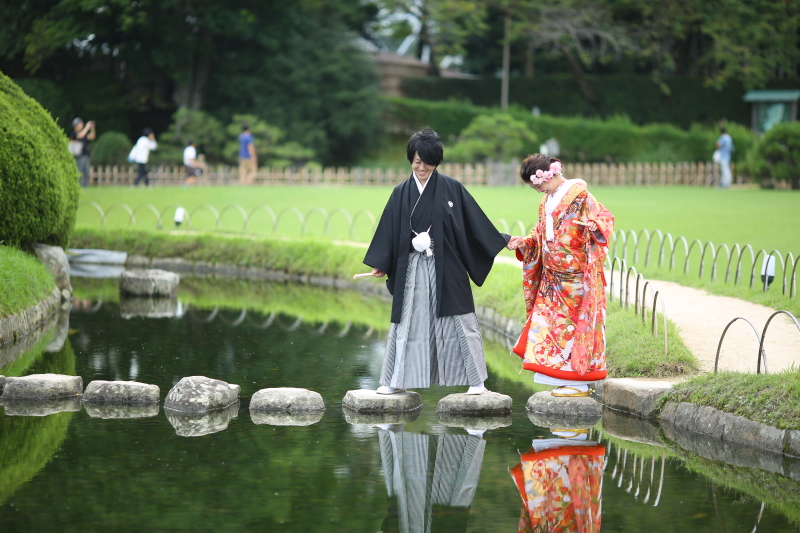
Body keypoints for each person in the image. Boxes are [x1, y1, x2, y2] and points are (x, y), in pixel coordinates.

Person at [364, 127, 512, 396]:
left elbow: (472, 225)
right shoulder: (400, 192)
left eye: (428, 162)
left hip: (447, 265)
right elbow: (389, 228)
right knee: (407, 320)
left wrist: (501, 239)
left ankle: (476, 381)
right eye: (418, 161)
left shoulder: (451, 188)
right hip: (411, 267)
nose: (422, 167)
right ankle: (396, 379)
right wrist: (381, 262)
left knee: (460, 320)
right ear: (411, 159)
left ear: (437, 161)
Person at [507, 154, 614, 397]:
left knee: (576, 328)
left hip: (577, 278)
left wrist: (595, 226)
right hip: (552, 278)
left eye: (538, 184)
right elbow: (540, 234)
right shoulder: (546, 200)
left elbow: (605, 217)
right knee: (548, 326)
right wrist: (525, 243)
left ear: (551, 174)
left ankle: (579, 382)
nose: (536, 189)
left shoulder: (581, 195)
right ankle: (561, 377)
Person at [69, 117, 96, 187]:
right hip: (79, 156)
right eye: (80, 124)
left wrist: (92, 128)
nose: (82, 125)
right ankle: (77, 186)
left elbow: (92, 137)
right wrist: (87, 127)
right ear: (76, 125)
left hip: (85, 156)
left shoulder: (83, 133)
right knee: (79, 172)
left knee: (87, 172)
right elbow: (80, 136)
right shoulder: (74, 134)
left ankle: (85, 187)